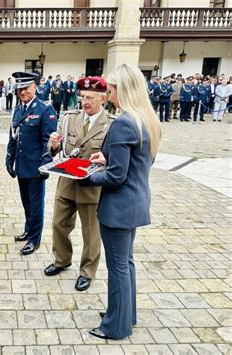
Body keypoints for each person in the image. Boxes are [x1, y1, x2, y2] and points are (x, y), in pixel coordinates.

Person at [81, 63, 161, 340]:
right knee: (126, 264)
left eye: (112, 90)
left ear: (123, 90)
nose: (109, 95)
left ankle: (115, 326)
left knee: (117, 268)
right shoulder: (145, 119)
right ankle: (127, 314)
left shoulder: (124, 122)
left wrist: (85, 177)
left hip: (118, 208)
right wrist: (108, 158)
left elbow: (115, 177)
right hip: (135, 203)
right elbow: (141, 160)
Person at [44, 76, 112, 292]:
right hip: (67, 183)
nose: (85, 102)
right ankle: (61, 260)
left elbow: (114, 158)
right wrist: (53, 145)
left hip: (92, 187)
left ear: (103, 98)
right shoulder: (69, 118)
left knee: (91, 233)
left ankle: (87, 271)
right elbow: (58, 149)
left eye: (91, 98)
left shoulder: (111, 124)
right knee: (59, 225)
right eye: (83, 97)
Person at [6, 72, 57, 255]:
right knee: (26, 203)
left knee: (36, 206)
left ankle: (34, 239)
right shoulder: (18, 109)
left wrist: (45, 164)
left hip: (36, 168)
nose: (22, 92)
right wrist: (9, 158)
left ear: (35, 87)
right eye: (19, 89)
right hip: (21, 166)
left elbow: (47, 140)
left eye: (26, 88)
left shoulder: (45, 109)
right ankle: (28, 230)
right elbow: (13, 137)